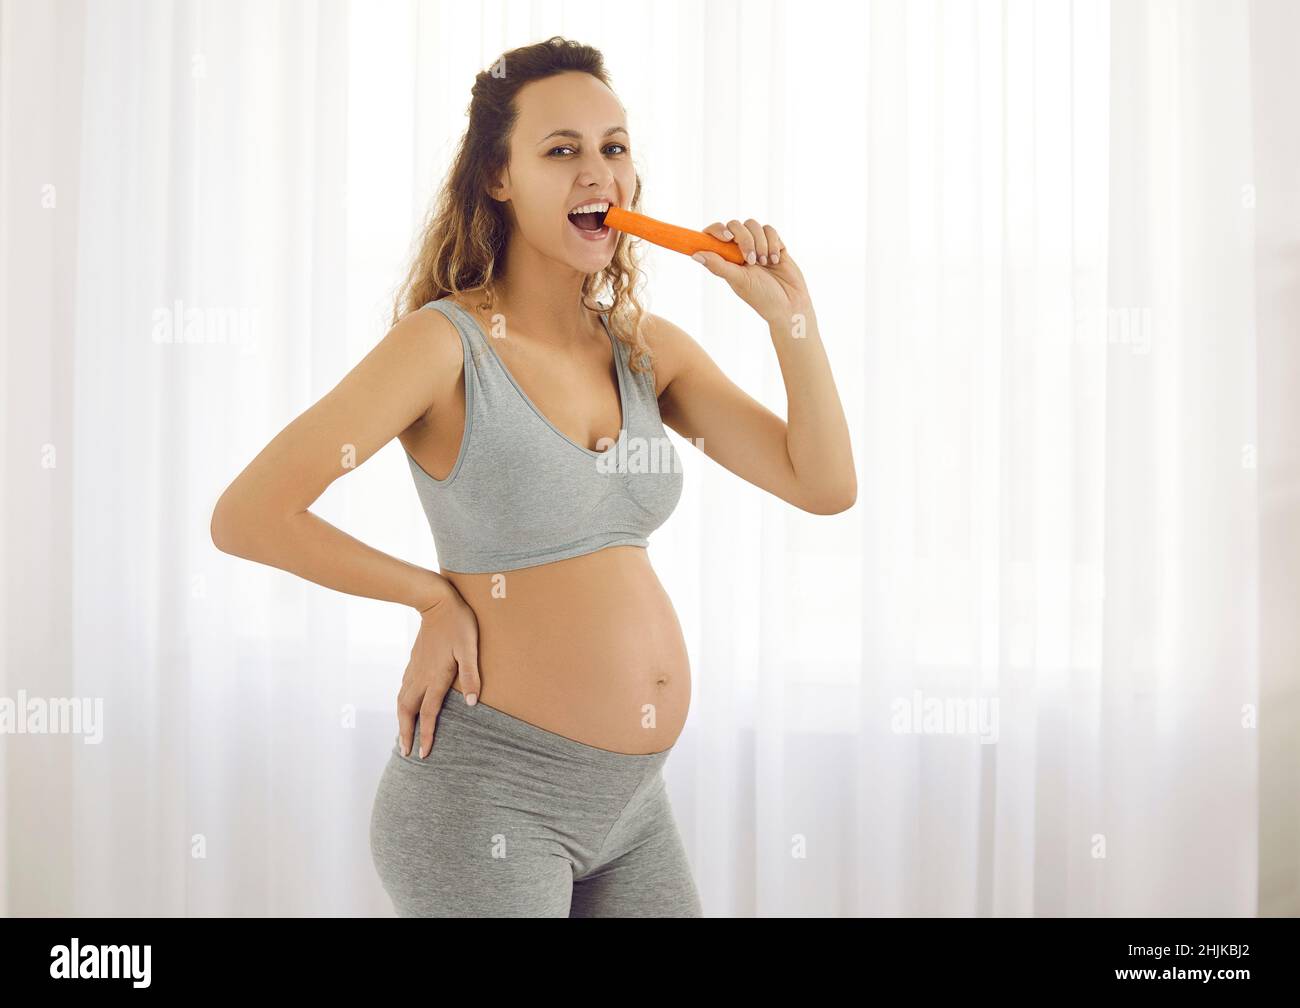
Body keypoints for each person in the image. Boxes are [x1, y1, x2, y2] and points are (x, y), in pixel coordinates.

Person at [210, 35, 855, 918]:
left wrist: (794, 320)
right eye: (562, 151)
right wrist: (430, 597)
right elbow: (248, 515)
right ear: (497, 179)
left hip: (632, 809)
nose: (599, 173)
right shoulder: (445, 347)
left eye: (614, 147)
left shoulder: (644, 351)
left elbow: (822, 484)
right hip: (487, 798)